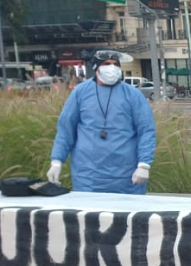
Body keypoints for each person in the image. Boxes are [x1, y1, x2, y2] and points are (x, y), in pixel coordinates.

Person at [47, 49, 156, 194]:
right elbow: (66, 129)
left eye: (116, 64)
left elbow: (146, 130)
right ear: (96, 68)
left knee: (125, 215)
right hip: (88, 176)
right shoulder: (81, 93)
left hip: (126, 176)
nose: (112, 68)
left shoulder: (133, 95)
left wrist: (144, 165)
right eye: (106, 64)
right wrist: (57, 161)